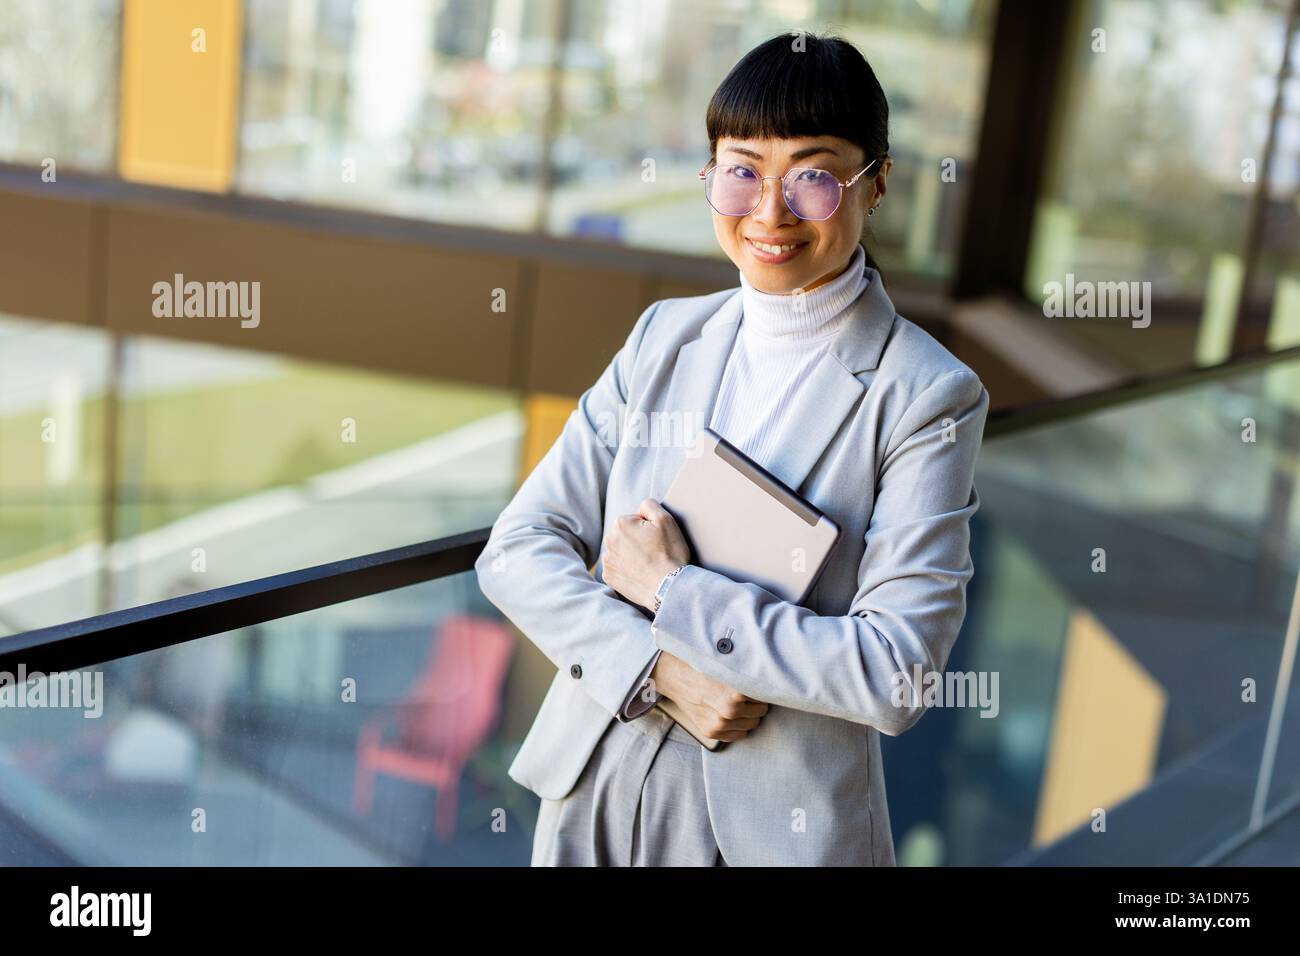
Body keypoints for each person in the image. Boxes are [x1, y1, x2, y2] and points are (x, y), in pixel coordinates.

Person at [475, 31, 989, 867]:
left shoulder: (926, 395)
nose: (770, 210)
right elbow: (518, 550)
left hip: (771, 837)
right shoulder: (665, 338)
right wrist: (659, 670)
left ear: (877, 183)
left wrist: (674, 592)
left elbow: (896, 673)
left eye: (813, 177)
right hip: (594, 792)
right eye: (742, 169)